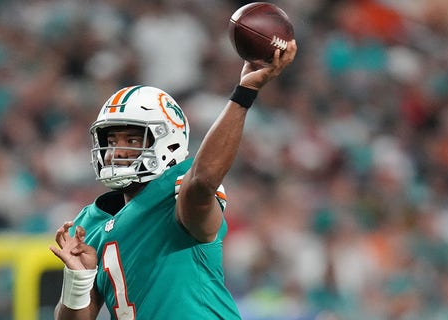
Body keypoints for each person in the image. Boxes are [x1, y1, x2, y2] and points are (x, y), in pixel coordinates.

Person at [50, 40, 297, 320]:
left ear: (168, 142)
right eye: (111, 141)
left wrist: (244, 93)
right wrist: (77, 281)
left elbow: (203, 181)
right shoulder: (87, 224)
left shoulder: (177, 193)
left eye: (132, 140)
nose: (117, 151)